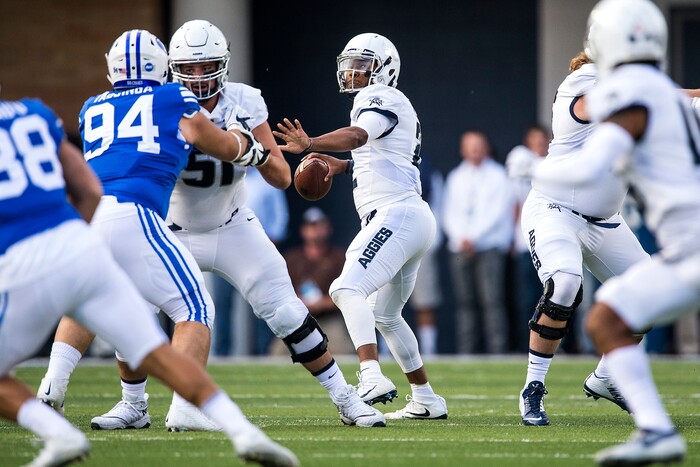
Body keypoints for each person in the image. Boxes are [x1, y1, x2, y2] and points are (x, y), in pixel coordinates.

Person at [38, 21, 385, 431]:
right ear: (171, 68)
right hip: (171, 226)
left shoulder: (243, 99)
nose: (200, 77)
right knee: (137, 306)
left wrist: (253, 154)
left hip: (233, 223)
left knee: (286, 310)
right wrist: (234, 145)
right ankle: (134, 404)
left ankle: (345, 398)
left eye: (208, 67)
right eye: (190, 67)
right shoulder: (164, 101)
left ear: (224, 64)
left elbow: (279, 175)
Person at [0, 96, 297, 466]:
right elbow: (220, 145)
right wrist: (251, 149)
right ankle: (241, 431)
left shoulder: (91, 106)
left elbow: (90, 188)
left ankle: (53, 393)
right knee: (190, 310)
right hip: (115, 219)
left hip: (20, 254)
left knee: (86, 315)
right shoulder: (37, 112)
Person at [537, 0, 698, 462]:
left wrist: (534, 169)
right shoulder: (664, 94)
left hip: (688, 247)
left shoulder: (632, 94)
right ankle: (653, 429)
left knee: (605, 318)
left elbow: (595, 164)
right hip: (679, 246)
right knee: (610, 317)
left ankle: (656, 430)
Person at [274, 32, 447, 420]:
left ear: (384, 69)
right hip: (408, 215)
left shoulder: (379, 97)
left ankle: (371, 374)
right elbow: (383, 156)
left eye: (362, 64)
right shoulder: (386, 104)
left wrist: (311, 143)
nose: (352, 71)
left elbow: (357, 136)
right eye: (350, 63)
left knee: (345, 287)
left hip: (396, 213)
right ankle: (426, 399)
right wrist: (344, 165)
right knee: (384, 314)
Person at [516, 47, 651, 427]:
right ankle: (533, 389)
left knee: (653, 295)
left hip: (606, 220)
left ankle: (606, 378)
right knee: (564, 285)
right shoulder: (584, 80)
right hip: (556, 210)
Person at [442, 131, 515, 354]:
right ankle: (467, 352)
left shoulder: (499, 175)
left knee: (492, 300)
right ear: (463, 149)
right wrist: (460, 237)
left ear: (487, 147)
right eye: (470, 145)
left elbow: (498, 212)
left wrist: (473, 237)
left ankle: (497, 351)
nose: (474, 150)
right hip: (460, 246)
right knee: (465, 302)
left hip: (489, 245)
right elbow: (448, 212)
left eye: (478, 145)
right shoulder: (456, 176)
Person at [271, 207, 354, 356]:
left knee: (345, 352)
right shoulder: (291, 258)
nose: (315, 230)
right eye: (311, 225)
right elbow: (280, 291)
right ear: (303, 230)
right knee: (277, 353)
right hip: (299, 318)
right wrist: (299, 301)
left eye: (319, 225)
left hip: (330, 318)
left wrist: (324, 302)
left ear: (328, 228)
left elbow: (349, 291)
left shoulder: (340, 257)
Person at [505, 126, 549, 352]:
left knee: (555, 297)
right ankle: (528, 344)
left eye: (543, 140)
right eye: (535, 140)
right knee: (527, 297)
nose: (539, 144)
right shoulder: (522, 158)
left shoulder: (556, 162)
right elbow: (514, 203)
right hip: (526, 241)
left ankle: (558, 345)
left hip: (552, 241)